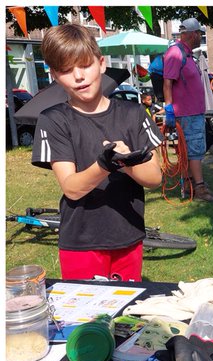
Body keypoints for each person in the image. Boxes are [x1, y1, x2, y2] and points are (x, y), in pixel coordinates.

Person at [32, 23, 163, 281]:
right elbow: (71, 188)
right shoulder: (53, 120)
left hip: (129, 235)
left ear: (101, 63)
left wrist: (126, 163)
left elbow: (155, 178)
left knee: (126, 316)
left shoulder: (134, 113)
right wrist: (104, 164)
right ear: (55, 76)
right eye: (67, 71)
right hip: (81, 242)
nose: (79, 76)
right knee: (86, 319)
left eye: (85, 65)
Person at [162, 16, 213, 202]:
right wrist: (169, 109)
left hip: (192, 113)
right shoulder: (175, 53)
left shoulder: (185, 53)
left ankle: (189, 186)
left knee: (189, 151)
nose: (200, 37)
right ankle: (200, 189)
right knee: (194, 151)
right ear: (192, 34)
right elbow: (167, 83)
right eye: (199, 34)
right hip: (186, 114)